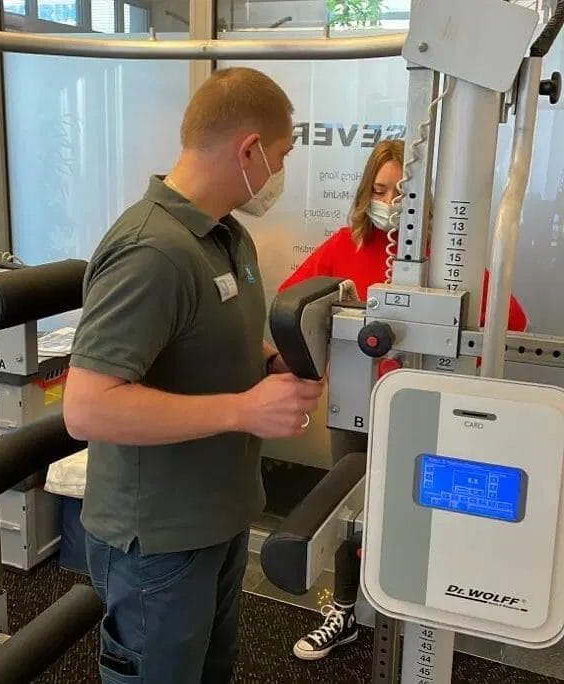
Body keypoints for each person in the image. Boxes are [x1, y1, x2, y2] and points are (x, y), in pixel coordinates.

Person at [63, 67, 324, 684]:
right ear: (249, 150)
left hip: (219, 514)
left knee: (211, 670)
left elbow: (208, 336)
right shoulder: (152, 250)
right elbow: (88, 407)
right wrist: (245, 409)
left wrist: (271, 361)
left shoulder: (228, 236)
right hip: (159, 540)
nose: (280, 171)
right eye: (282, 155)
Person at [279, 139, 528, 661]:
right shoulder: (344, 247)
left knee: (420, 509)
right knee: (348, 509)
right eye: (380, 189)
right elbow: (293, 305)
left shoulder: (450, 260)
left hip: (427, 413)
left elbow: (512, 322)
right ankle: (343, 609)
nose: (390, 202)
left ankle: (423, 612)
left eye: (403, 193)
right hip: (359, 408)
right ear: (365, 193)